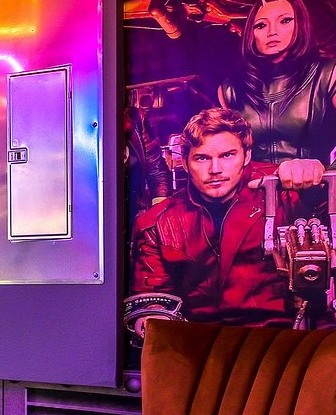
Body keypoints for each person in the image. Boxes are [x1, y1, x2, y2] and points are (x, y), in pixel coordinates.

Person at [126, 107, 318, 333]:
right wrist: (153, 316)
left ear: (247, 155)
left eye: (227, 155)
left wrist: (315, 177)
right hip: (200, 338)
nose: (215, 169)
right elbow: (152, 294)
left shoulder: (284, 192)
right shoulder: (158, 223)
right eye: (202, 158)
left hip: (279, 333)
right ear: (185, 163)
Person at [216, 0, 336, 191]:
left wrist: (327, 177)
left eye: (285, 21)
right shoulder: (230, 90)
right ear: (250, 34)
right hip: (254, 196)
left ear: (301, 25)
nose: (272, 31)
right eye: (261, 25)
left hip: (318, 196)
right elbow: (227, 152)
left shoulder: (331, 74)